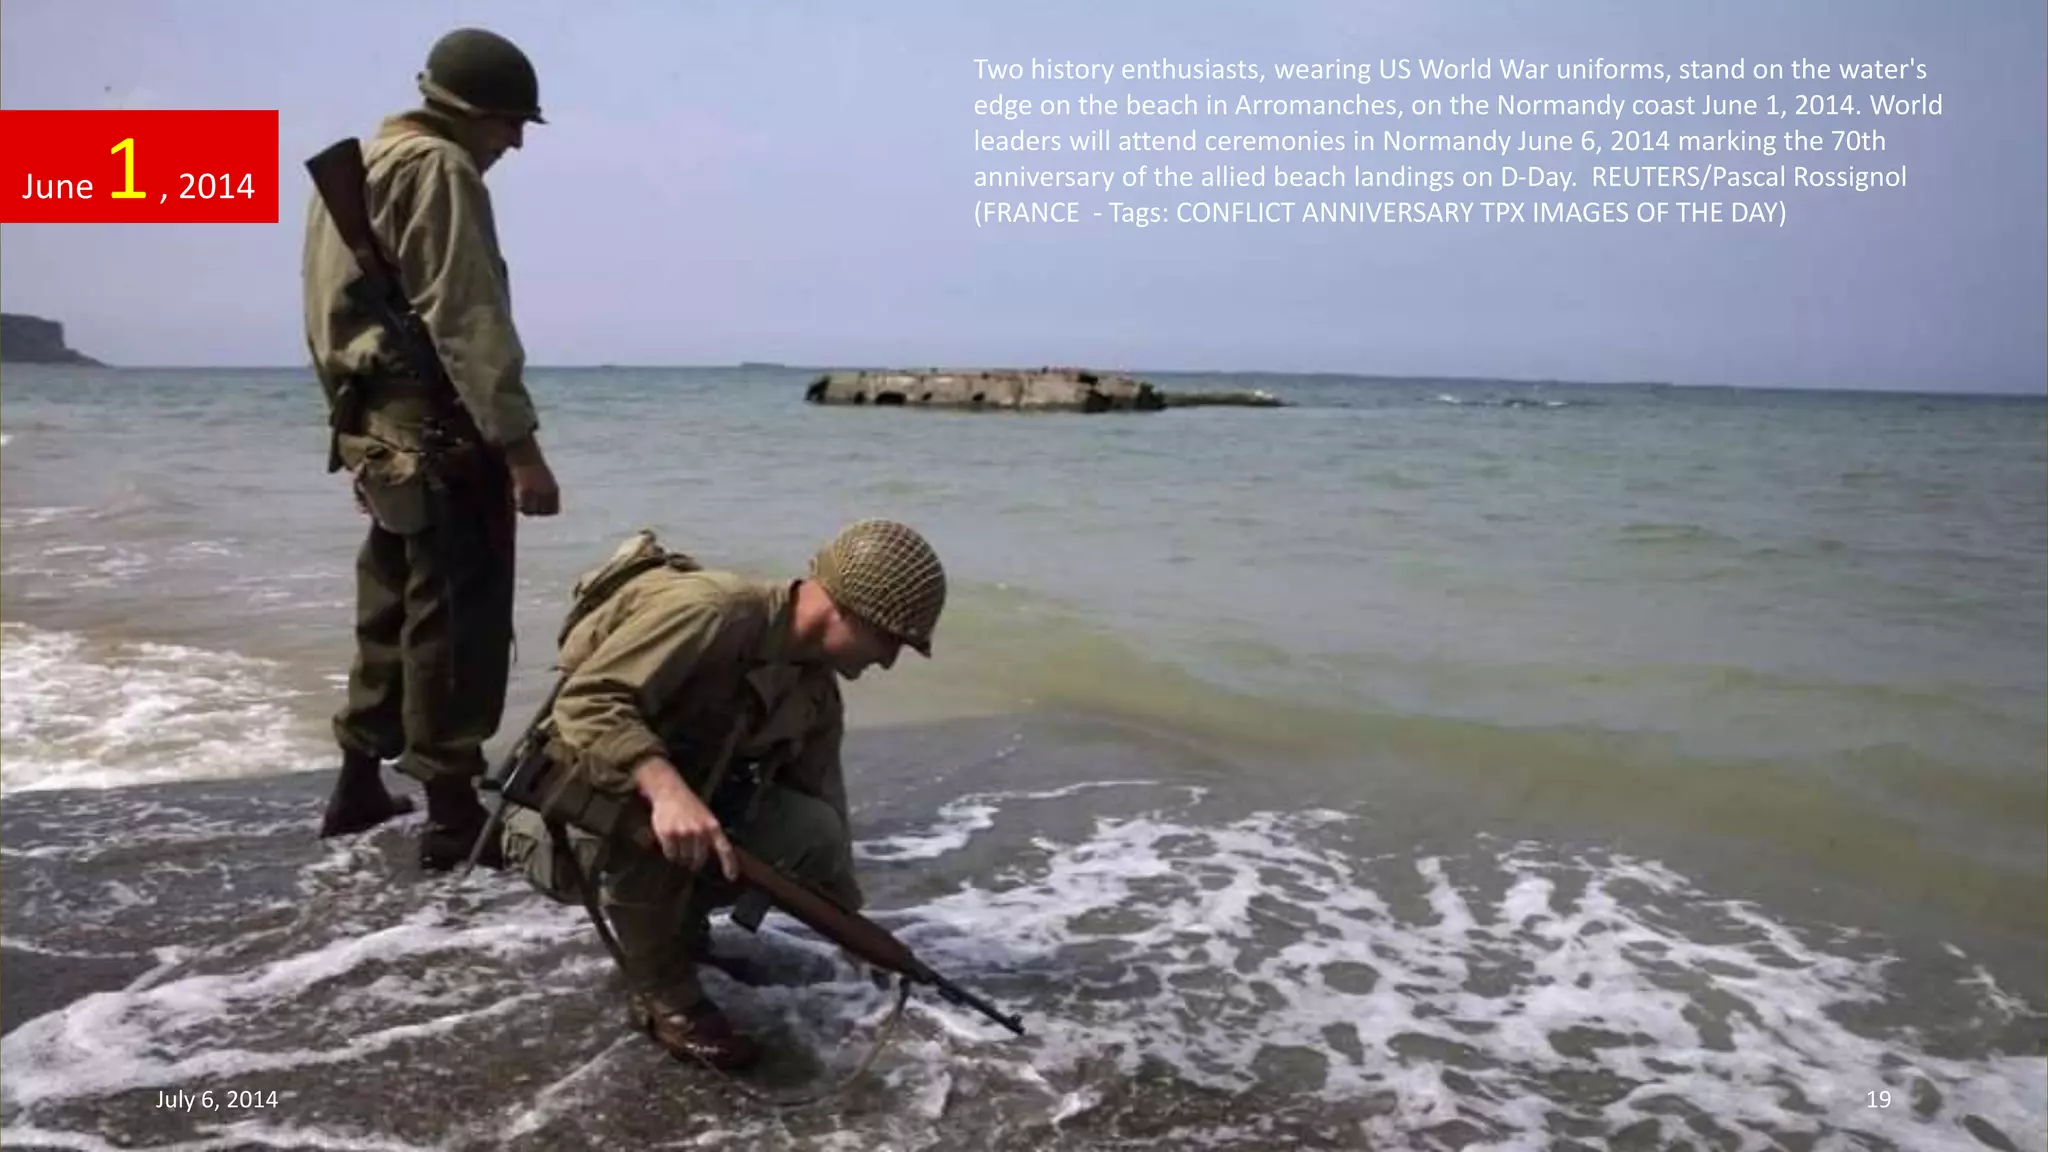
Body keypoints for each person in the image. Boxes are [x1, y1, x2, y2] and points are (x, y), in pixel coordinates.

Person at [499, 519, 948, 1070]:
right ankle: (667, 998)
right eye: (889, 640)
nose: (888, 660)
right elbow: (588, 703)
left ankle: (678, 931)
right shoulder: (712, 611)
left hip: (670, 819)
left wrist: (856, 934)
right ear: (846, 610)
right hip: (567, 818)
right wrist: (666, 790)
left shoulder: (814, 691)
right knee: (656, 828)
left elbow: (822, 801)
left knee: (812, 831)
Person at [303, 27, 563, 869]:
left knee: (389, 607)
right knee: (456, 619)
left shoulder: (361, 166)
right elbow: (469, 314)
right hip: (441, 432)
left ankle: (357, 782)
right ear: (469, 112)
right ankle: (452, 814)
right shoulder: (440, 169)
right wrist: (520, 449)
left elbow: (323, 319)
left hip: (378, 427)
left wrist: (355, 434)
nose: (517, 142)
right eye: (511, 123)